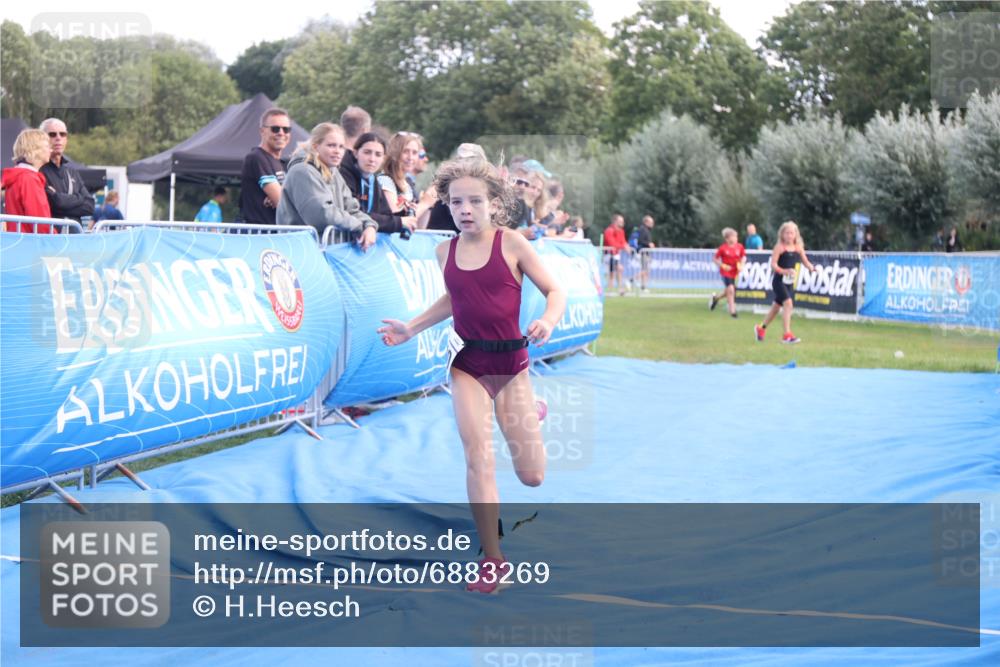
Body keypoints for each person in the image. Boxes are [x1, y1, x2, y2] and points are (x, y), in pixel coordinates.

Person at [377, 156, 565, 594]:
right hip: (467, 365)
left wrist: (550, 321)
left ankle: (528, 409)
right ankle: (493, 559)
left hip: (512, 365)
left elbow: (555, 290)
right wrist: (411, 327)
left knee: (532, 476)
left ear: (493, 203)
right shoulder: (444, 250)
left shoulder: (513, 243)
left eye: (474, 201)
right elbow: (455, 299)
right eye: (456, 201)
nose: (464, 210)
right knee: (478, 458)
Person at [277, 122, 377, 249]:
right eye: (331, 145)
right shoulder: (302, 171)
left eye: (341, 147)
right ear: (315, 146)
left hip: (326, 250)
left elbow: (351, 208)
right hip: (300, 251)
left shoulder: (334, 172)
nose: (337, 151)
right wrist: (359, 226)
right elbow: (322, 214)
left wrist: (369, 225)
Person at [339, 132, 416, 235]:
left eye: (378, 154)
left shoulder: (373, 179)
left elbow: (384, 214)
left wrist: (404, 214)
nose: (372, 159)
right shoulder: (344, 175)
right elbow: (356, 213)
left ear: (383, 158)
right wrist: (399, 222)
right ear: (355, 153)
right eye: (367, 152)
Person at [754, 220, 816, 345]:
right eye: (786, 233)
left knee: (776, 308)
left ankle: (761, 328)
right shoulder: (779, 247)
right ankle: (786, 335)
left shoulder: (798, 247)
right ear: (782, 234)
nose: (789, 235)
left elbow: (805, 260)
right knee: (788, 303)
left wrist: (811, 267)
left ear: (796, 235)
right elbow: (773, 265)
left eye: (791, 233)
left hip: (789, 283)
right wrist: (784, 271)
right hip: (778, 281)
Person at [39, 118, 94, 227]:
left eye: (62, 134)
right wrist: (78, 199)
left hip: (74, 238)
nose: (58, 138)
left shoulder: (72, 172)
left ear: (66, 139)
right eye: (52, 134)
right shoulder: (38, 170)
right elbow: (50, 205)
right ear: (42, 139)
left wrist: (59, 199)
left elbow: (89, 206)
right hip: (51, 237)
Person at [239, 107, 291, 224]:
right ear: (262, 131)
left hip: (276, 236)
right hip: (259, 237)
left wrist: (283, 194)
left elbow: (288, 199)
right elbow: (283, 203)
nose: (281, 133)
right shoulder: (257, 157)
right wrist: (281, 196)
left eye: (286, 129)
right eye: (275, 129)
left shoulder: (283, 163)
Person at [2, 128, 55, 233]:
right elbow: (41, 223)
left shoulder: (17, 176)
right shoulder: (29, 179)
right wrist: (55, 240)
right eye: (47, 146)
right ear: (34, 149)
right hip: (32, 244)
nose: (51, 150)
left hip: (19, 241)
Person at [709, 227, 746, 318]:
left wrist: (741, 264)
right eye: (734, 237)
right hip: (725, 272)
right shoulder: (723, 248)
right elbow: (714, 259)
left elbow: (744, 257)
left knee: (728, 291)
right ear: (727, 238)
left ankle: (716, 298)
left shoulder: (740, 246)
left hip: (735, 273)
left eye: (736, 237)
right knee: (731, 290)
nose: (736, 238)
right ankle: (732, 311)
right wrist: (722, 265)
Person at [603, 214, 630, 296]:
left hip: (616, 255)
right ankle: (610, 291)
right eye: (620, 221)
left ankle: (618, 290)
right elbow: (612, 244)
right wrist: (623, 246)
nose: (623, 223)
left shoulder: (621, 231)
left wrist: (626, 245)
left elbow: (623, 241)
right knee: (613, 272)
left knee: (618, 271)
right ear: (615, 221)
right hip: (609, 254)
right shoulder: (609, 230)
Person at [637, 215, 656, 292]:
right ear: (646, 222)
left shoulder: (647, 230)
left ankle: (643, 286)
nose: (652, 224)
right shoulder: (642, 229)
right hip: (643, 252)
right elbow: (640, 241)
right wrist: (649, 244)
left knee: (646, 271)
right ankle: (630, 280)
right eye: (651, 222)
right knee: (644, 270)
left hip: (647, 253)